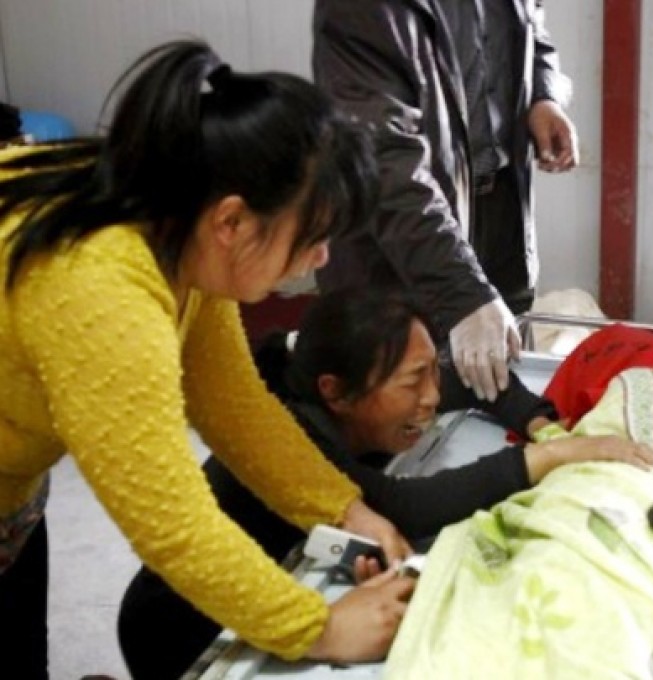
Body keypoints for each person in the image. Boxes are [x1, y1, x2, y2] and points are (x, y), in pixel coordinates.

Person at [0, 40, 418, 679]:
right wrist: (320, 626)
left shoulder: (181, 231)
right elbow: (170, 519)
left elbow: (237, 408)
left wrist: (343, 508)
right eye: (311, 238)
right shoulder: (99, 284)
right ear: (233, 221)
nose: (321, 260)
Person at [118, 288, 653, 679]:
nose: (431, 395)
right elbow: (406, 505)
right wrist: (560, 455)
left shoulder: (387, 391)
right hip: (177, 626)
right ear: (336, 392)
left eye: (431, 371)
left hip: (277, 575)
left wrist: (539, 422)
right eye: (413, 381)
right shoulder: (295, 429)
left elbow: (477, 382)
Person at [312, 0, 579, 403]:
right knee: (394, 423)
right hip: (401, 247)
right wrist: (463, 293)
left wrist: (544, 95)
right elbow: (384, 160)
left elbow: (533, 30)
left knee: (495, 412)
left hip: (501, 218)